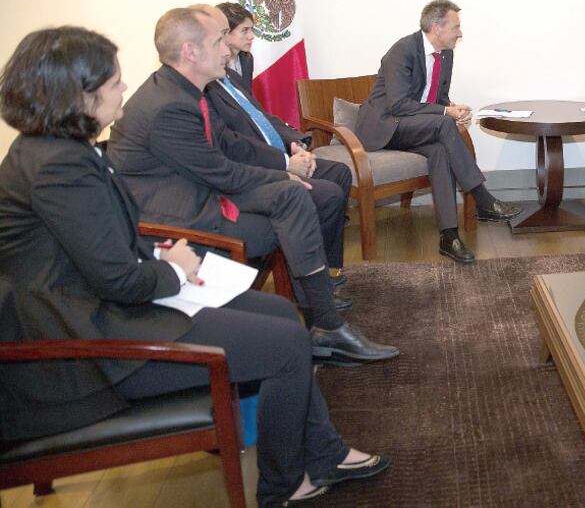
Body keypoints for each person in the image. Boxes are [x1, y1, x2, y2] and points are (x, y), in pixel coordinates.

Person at [0, 26, 390, 506]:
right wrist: (177, 269)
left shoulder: (55, 150)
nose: (124, 87)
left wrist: (163, 259)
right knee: (288, 343)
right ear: (77, 94)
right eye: (114, 80)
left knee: (283, 316)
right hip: (86, 350)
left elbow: (90, 251)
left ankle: (323, 452)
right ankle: (284, 485)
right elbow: (117, 280)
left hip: (98, 308)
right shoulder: (57, 165)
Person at [108, 6, 397, 365]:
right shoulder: (168, 106)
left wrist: (284, 172)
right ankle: (324, 323)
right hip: (178, 219)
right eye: (218, 42)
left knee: (295, 197)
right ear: (190, 52)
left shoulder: (186, 90)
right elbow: (220, 172)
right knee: (293, 197)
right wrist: (283, 174)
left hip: (199, 191)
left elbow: (227, 148)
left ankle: (324, 322)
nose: (228, 50)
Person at [355, 0, 521, 263]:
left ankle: (449, 236)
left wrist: (451, 107)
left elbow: (438, 97)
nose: (460, 33)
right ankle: (482, 198)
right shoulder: (402, 51)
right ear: (436, 27)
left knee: (440, 151)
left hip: (413, 127)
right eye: (456, 27)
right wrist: (445, 114)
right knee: (444, 124)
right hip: (385, 126)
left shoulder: (446, 53)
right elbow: (397, 104)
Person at [204, 3, 353, 287]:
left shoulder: (238, 68)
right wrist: (284, 163)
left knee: (339, 173)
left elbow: (258, 116)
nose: (252, 37)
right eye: (244, 30)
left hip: (273, 152)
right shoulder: (206, 88)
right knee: (328, 193)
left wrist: (294, 143)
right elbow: (233, 141)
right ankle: (308, 278)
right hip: (251, 167)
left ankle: (328, 266)